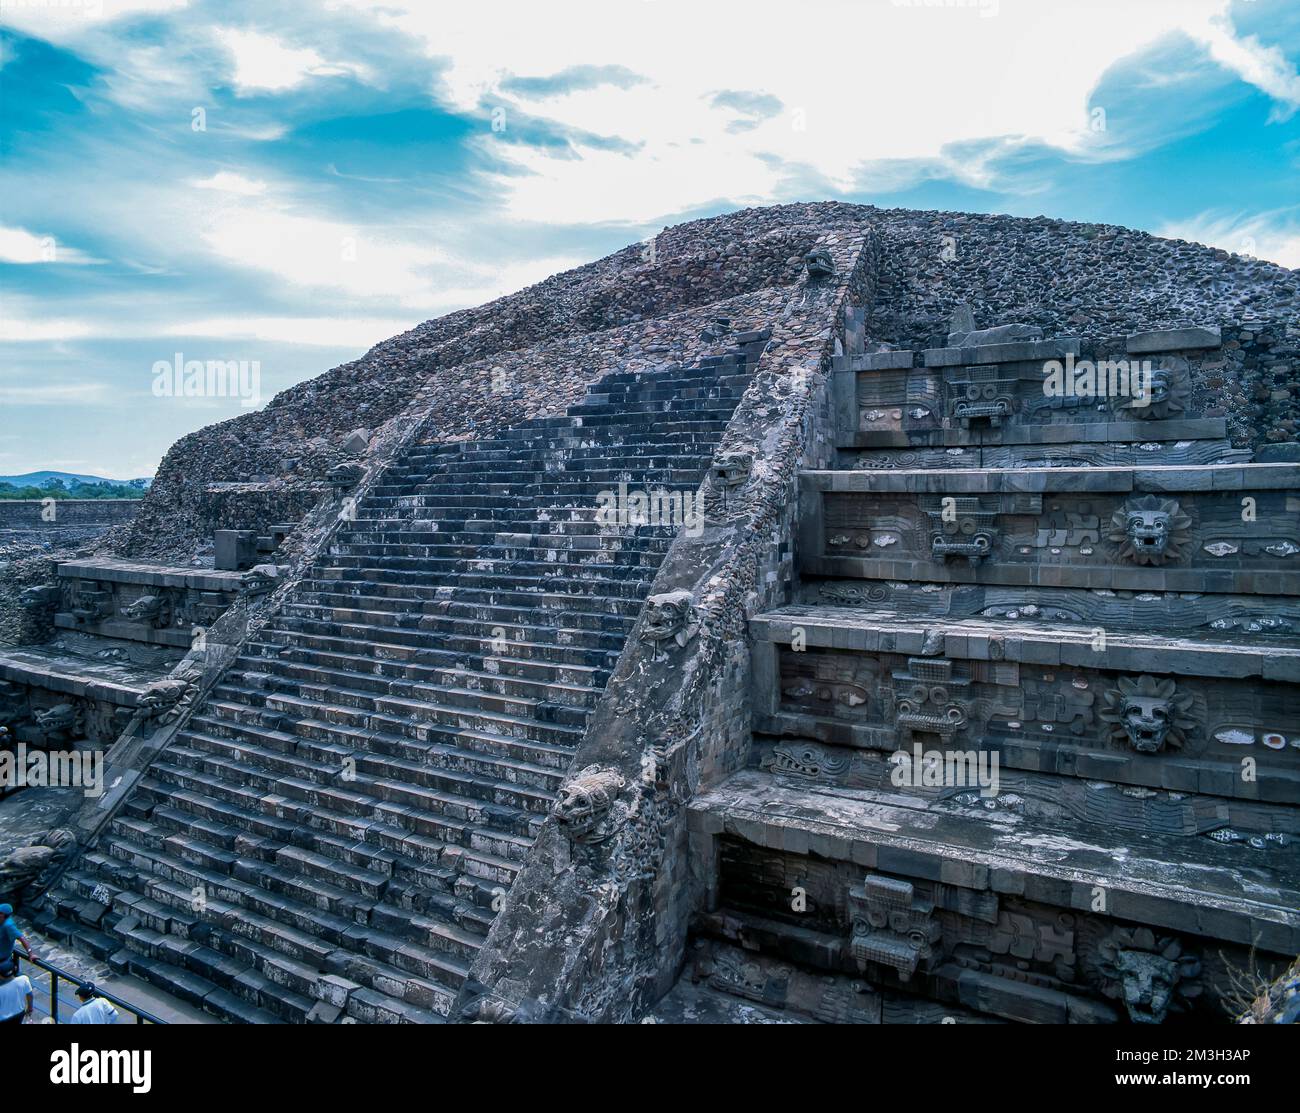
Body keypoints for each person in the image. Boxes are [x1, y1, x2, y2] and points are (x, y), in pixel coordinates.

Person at [0, 905, 34, 969]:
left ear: (5, 915)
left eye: (0, 913)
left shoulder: (8, 926)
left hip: (2, 960)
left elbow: (22, 938)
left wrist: (30, 953)